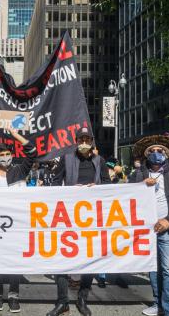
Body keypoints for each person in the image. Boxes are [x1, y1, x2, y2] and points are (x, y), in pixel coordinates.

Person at [47, 127, 111, 316]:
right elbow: (55, 183)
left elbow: (108, 185)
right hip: (68, 215)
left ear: (91, 141)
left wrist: (96, 187)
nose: (84, 142)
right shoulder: (66, 159)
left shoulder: (100, 161)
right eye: (81, 138)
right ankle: (62, 301)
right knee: (62, 258)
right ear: (76, 141)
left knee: (89, 259)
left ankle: (82, 299)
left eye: (87, 139)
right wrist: (69, 190)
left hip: (92, 217)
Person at [129, 135, 169, 316]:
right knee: (152, 268)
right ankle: (158, 305)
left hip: (167, 230)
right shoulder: (137, 175)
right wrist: (141, 186)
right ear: (146, 155)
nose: (156, 154)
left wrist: (168, 220)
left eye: (160, 151)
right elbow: (126, 197)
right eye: (152, 151)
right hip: (146, 231)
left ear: (167, 154)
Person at [0, 128, 37, 313]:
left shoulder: (20, 170)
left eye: (8, 153)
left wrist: (16, 136)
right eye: (2, 154)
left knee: (15, 262)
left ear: (12, 155)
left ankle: (14, 296)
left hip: (16, 224)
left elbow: (33, 151)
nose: (5, 157)